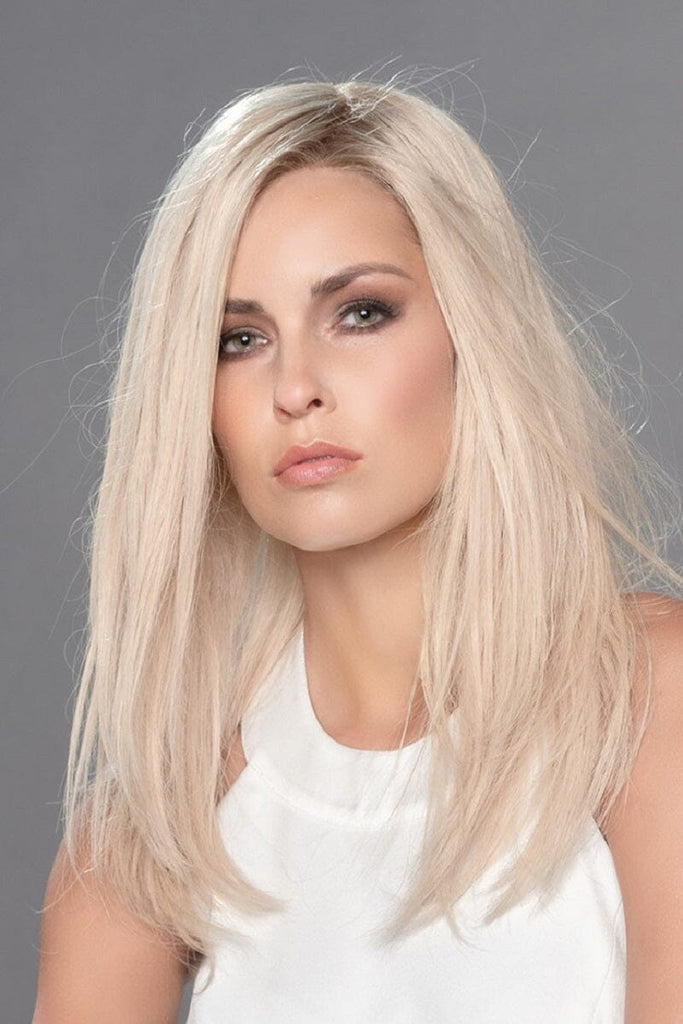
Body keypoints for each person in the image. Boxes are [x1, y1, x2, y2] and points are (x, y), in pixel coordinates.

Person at [32, 77, 683, 1023]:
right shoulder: (150, 835)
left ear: (472, 332)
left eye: (360, 313)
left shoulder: (644, 700)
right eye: (239, 338)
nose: (295, 387)